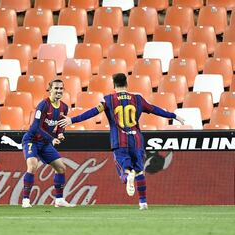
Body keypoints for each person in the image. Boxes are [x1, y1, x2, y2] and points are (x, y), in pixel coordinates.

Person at [58, 73, 185, 210]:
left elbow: (92, 112)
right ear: (127, 83)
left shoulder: (108, 100)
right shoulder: (137, 99)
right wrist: (174, 115)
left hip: (119, 140)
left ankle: (128, 174)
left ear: (113, 84)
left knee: (125, 169)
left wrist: (72, 120)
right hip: (136, 140)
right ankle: (143, 202)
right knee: (140, 171)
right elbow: (155, 109)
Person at [21, 79, 75, 208]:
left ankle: (59, 200)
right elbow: (35, 127)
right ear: (50, 89)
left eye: (61, 88)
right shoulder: (43, 105)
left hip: (44, 143)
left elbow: (61, 124)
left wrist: (60, 133)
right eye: (56, 88)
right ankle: (25, 200)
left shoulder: (64, 107)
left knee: (61, 168)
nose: (59, 91)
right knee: (33, 165)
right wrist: (52, 139)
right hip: (32, 140)